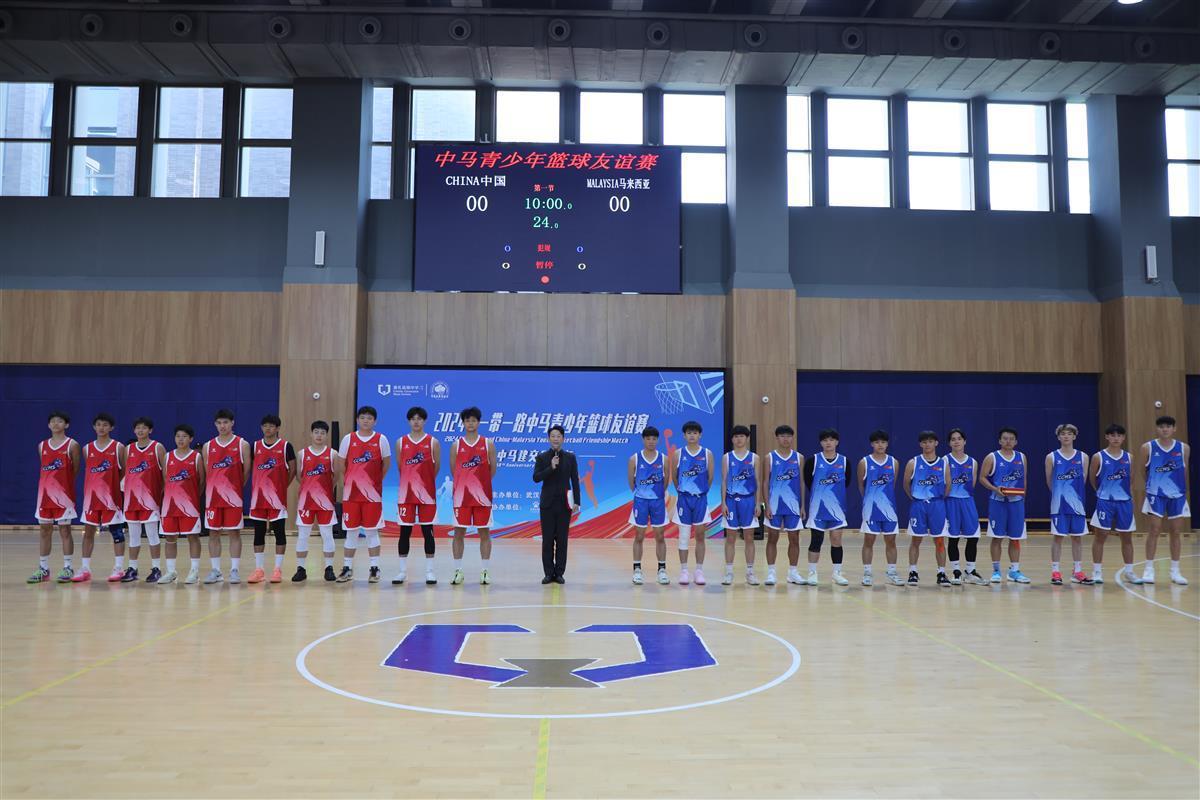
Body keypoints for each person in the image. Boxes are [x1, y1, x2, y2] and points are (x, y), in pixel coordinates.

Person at [337, 405, 391, 584]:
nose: (366, 420)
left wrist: (373, 483)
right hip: (351, 495)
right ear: (357, 420)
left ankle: (374, 568)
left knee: (371, 532)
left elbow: (386, 464)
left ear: (375, 421)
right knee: (351, 533)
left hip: (372, 496)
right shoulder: (348, 439)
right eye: (362, 417)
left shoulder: (381, 439)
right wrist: (351, 482)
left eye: (369, 418)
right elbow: (341, 464)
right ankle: (347, 568)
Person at [29, 410, 81, 584]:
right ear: (48, 425)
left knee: (65, 530)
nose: (56, 424)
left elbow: (75, 469)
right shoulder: (42, 446)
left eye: (59, 421)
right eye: (52, 421)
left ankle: (68, 567)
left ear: (66, 425)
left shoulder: (72, 445)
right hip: (44, 496)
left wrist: (63, 487)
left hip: (64, 496)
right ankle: (43, 569)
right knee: (44, 530)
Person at [76, 412, 127, 583]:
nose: (101, 428)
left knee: (117, 532)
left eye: (105, 425)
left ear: (111, 428)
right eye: (98, 424)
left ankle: (119, 568)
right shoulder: (87, 448)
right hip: (91, 499)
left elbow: (123, 471)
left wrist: (111, 486)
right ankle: (85, 568)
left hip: (111, 499)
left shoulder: (118, 447)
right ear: (94, 427)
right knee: (88, 532)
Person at [1140, 415, 1190, 586]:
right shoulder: (1147, 447)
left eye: (1168, 426)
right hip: (1156, 494)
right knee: (1154, 529)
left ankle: (1175, 571)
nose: (1165, 429)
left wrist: (1179, 489)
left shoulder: (1183, 448)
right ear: (1157, 429)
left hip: (1177, 494)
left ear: (1174, 429)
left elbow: (1184, 471)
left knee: (1176, 531)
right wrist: (1154, 486)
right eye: (1161, 426)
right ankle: (1148, 569)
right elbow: (1143, 471)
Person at [393, 406, 441, 586]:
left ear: (424, 421)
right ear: (409, 421)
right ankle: (402, 571)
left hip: (427, 495)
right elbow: (401, 467)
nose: (416, 422)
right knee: (404, 532)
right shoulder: (401, 442)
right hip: (406, 495)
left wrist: (423, 484)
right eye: (413, 418)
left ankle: (430, 572)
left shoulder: (433, 442)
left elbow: (436, 467)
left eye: (419, 418)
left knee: (428, 532)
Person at [203, 408, 250, 585]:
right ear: (215, 424)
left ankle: (234, 570)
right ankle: (216, 570)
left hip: (233, 499)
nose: (222, 426)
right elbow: (207, 472)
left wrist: (233, 489)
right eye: (219, 423)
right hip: (213, 499)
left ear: (232, 423)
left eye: (225, 422)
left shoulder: (242, 444)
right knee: (213, 533)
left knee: (234, 533)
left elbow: (246, 472)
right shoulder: (208, 446)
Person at [247, 414, 295, 584]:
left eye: (271, 426)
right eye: (265, 425)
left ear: (278, 428)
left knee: (279, 533)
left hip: (277, 499)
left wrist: (282, 487)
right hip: (258, 499)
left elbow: (293, 469)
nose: (268, 429)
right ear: (261, 427)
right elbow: (249, 468)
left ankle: (277, 569)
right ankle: (259, 570)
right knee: (258, 533)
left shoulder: (285, 446)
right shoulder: (255, 446)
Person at [451, 407, 496, 585]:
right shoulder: (457, 445)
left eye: (473, 420)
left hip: (482, 497)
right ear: (463, 423)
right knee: (458, 533)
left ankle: (485, 571)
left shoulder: (487, 444)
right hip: (461, 498)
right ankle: (458, 571)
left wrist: (479, 486)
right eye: (467, 420)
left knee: (484, 532)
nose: (470, 423)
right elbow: (454, 470)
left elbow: (492, 469)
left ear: (478, 422)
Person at [1089, 423, 1138, 585]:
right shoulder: (1098, 457)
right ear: (1107, 437)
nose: (1116, 438)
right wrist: (1103, 493)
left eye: (1119, 435)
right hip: (1105, 501)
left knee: (1127, 537)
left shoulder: (1129, 457)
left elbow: (1131, 480)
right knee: (1101, 535)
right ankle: (1097, 572)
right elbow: (1092, 479)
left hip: (1124, 502)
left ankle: (1129, 572)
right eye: (1112, 435)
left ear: (1123, 438)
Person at [293, 421, 341, 583]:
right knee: (303, 535)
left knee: (327, 534)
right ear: (311, 434)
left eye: (322, 432)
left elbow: (335, 476)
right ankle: (301, 569)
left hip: (325, 502)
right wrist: (310, 489)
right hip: (306, 502)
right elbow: (299, 476)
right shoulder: (302, 454)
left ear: (326, 435)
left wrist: (323, 491)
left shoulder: (333, 454)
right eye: (316, 432)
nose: (319, 435)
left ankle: (329, 568)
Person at [981, 427, 1030, 584]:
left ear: (1016, 441)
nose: (1008, 441)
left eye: (1011, 439)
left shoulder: (1021, 457)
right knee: (997, 537)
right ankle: (996, 571)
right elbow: (982, 478)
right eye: (1005, 438)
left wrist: (1023, 497)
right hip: (998, 502)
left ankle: (1014, 571)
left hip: (1016, 503)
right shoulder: (992, 457)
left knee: (1015, 538)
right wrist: (995, 489)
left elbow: (1024, 480)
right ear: (1000, 441)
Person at [158, 425, 204, 585]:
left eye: (184, 436)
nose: (180, 439)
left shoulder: (196, 457)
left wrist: (191, 498)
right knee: (170, 538)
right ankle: (171, 571)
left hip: (190, 506)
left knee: (193, 537)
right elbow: (165, 479)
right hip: (169, 506)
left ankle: (194, 571)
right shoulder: (168, 457)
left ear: (191, 439)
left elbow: (202, 481)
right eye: (178, 436)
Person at [534, 424, 580, 584]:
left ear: (563, 439)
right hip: (547, 504)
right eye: (553, 436)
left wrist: (577, 502)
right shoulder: (542, 457)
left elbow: (575, 480)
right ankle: (548, 573)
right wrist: (551, 467)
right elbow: (536, 478)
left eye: (558, 436)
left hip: (564, 505)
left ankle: (559, 573)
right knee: (547, 541)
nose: (555, 439)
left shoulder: (570, 458)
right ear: (549, 439)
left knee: (562, 540)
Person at [1046, 423, 1092, 585]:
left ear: (1074, 436)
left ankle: (1077, 571)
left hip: (1077, 504)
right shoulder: (1051, 457)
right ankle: (1055, 571)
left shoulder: (1083, 457)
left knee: (1077, 538)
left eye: (1069, 433)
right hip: (1059, 505)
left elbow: (1083, 480)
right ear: (1058, 437)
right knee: (1058, 537)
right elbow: (1049, 481)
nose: (1066, 436)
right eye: (1063, 434)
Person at [121, 416, 165, 583]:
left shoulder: (157, 447)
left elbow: (165, 474)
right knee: (133, 536)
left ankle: (156, 568)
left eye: (144, 427)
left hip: (150, 501)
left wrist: (158, 495)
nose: (140, 430)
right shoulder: (128, 449)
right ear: (134, 430)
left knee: (153, 535)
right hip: (131, 501)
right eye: (138, 428)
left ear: (150, 430)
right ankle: (132, 568)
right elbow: (125, 474)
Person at [803, 428, 850, 586]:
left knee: (836, 540)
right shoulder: (813, 461)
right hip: (818, 508)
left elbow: (846, 482)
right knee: (816, 540)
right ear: (820, 443)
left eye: (831, 440)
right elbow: (808, 482)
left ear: (837, 442)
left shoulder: (844, 461)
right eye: (825, 440)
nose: (828, 443)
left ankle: (837, 573)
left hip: (837, 508)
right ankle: (812, 572)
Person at [905, 430, 950, 587]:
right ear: (920, 444)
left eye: (930, 441)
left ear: (936, 443)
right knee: (916, 539)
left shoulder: (943, 463)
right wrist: (914, 497)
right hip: (918, 505)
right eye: (924, 442)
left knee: (939, 540)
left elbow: (948, 485)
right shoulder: (913, 462)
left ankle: (941, 573)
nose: (927, 444)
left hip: (937, 504)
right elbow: (905, 484)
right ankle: (913, 572)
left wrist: (939, 499)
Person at [858, 429, 903, 587]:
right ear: (872, 444)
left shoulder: (894, 462)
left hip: (889, 509)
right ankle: (867, 573)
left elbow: (893, 484)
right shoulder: (864, 462)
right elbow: (861, 486)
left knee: (891, 541)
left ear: (887, 444)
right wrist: (869, 500)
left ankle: (892, 573)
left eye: (883, 442)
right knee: (869, 540)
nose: (880, 445)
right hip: (871, 509)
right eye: (877, 442)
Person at [763, 425, 806, 587]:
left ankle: (793, 572)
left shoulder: (799, 458)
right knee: (772, 538)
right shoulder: (770, 457)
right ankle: (771, 572)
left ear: (792, 438)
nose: (785, 439)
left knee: (794, 539)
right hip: (774, 505)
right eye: (782, 436)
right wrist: (767, 505)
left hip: (793, 505)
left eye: (788, 436)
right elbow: (765, 482)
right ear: (777, 438)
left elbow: (801, 482)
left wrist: (802, 505)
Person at [672, 420, 713, 586]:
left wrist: (700, 491)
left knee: (700, 535)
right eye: (689, 433)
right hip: (684, 499)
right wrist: (683, 491)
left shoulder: (707, 454)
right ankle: (684, 571)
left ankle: (699, 571)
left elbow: (710, 477)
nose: (692, 435)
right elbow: (674, 477)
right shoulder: (678, 454)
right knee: (683, 536)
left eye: (695, 433)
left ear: (700, 435)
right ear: (684, 435)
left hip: (700, 499)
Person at [945, 428, 987, 585]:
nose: (956, 441)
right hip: (951, 501)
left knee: (973, 537)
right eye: (953, 439)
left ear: (964, 441)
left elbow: (972, 484)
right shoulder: (945, 460)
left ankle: (970, 571)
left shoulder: (973, 462)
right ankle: (956, 571)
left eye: (959, 438)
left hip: (968, 501)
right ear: (949, 443)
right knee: (953, 538)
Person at [629, 426, 669, 586]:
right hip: (641, 502)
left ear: (657, 440)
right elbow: (631, 482)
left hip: (657, 502)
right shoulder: (635, 459)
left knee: (660, 536)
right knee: (639, 536)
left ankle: (662, 570)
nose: (651, 441)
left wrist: (656, 494)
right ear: (643, 439)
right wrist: (642, 493)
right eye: (648, 438)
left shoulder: (664, 459)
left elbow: (666, 482)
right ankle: (637, 570)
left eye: (654, 438)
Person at [721, 425, 759, 586]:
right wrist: (723, 502)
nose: (739, 439)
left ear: (747, 438)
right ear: (732, 439)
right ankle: (729, 573)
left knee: (749, 537)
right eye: (736, 436)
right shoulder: (727, 457)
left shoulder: (754, 458)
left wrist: (758, 504)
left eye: (742, 436)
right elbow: (724, 481)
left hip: (748, 501)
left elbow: (757, 482)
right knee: (730, 537)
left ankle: (750, 573)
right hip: (731, 500)